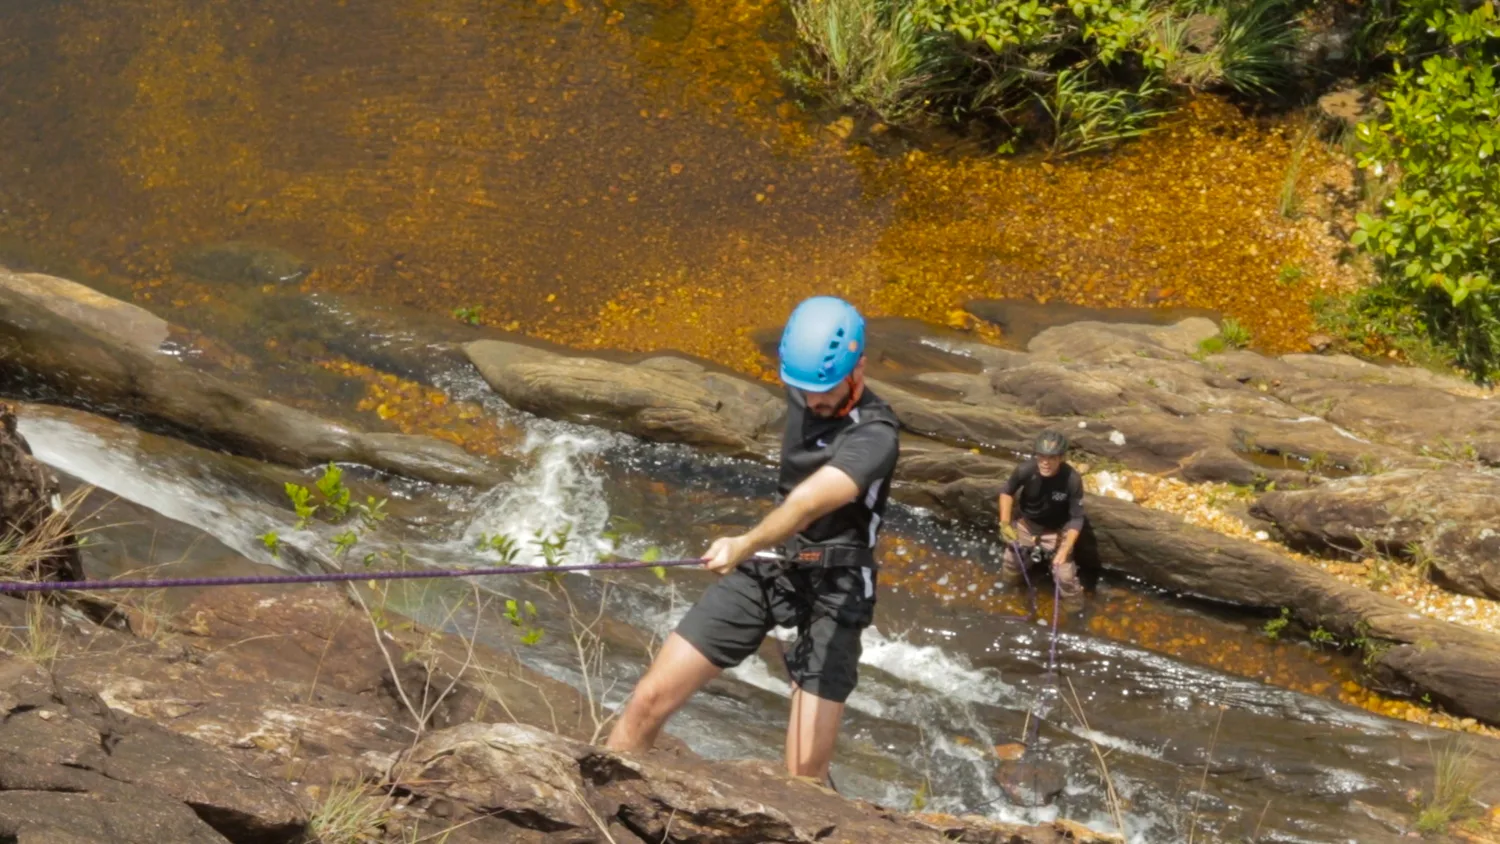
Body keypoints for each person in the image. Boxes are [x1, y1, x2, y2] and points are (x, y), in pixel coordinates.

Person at [606, 296, 899, 784]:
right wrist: (753, 548)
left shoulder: (876, 435)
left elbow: (809, 503)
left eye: (825, 391)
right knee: (648, 700)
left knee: (803, 772)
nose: (813, 402)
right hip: (773, 561)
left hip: (837, 584)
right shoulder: (804, 386)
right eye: (802, 389)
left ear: (859, 369)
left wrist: (742, 543)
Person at [998, 430, 1086, 612]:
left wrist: (1065, 549)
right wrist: (1005, 523)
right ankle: (1008, 592)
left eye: (1052, 458)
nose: (1045, 462)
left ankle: (1075, 610)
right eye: (1041, 456)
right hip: (1026, 525)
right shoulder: (1025, 470)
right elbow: (1006, 493)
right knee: (1011, 562)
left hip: (1056, 532)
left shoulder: (1072, 480)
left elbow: (1077, 517)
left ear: (1061, 458)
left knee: (1065, 577)